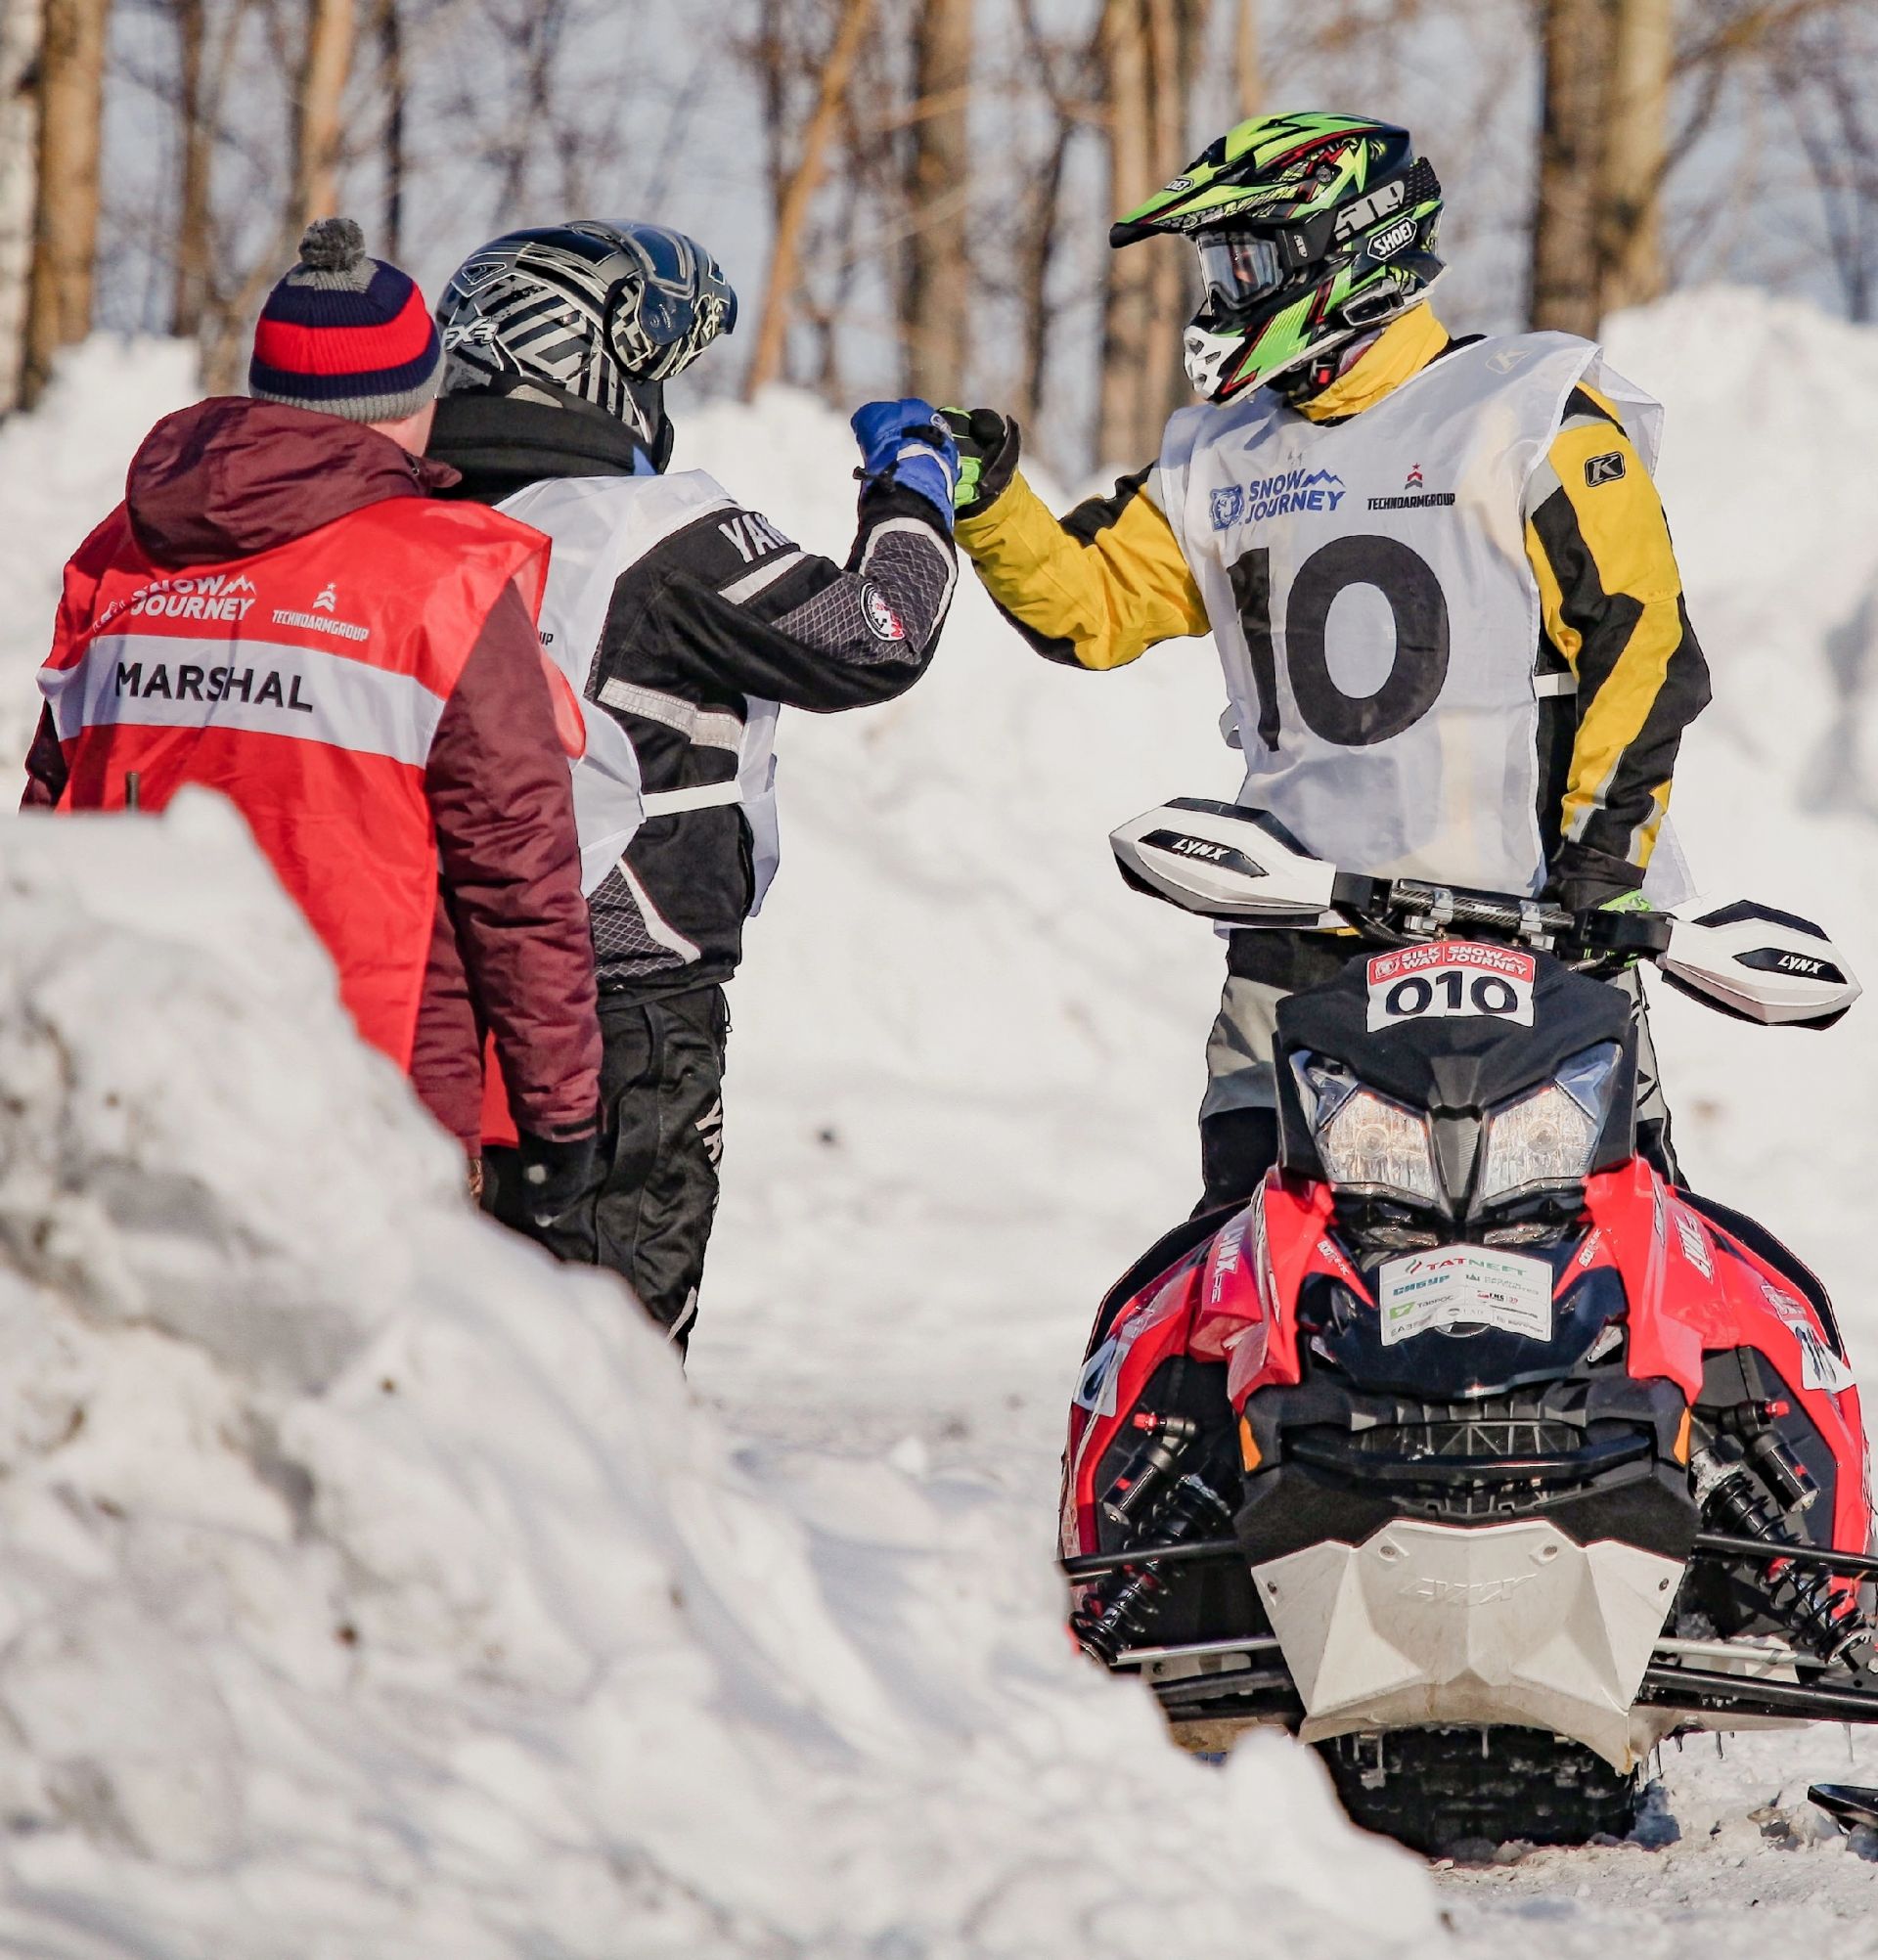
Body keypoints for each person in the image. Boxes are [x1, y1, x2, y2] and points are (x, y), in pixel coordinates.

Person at [942, 111, 1711, 1210]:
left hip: (1521, 936)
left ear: (1347, 250)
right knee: (1246, 1261)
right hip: (1295, 939)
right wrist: (987, 500)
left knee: (1592, 1258)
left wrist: (1596, 883)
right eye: (1218, 263)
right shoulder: (1217, 452)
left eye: (1247, 259)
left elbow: (1646, 647)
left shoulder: (1531, 412)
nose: (1222, 293)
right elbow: (1093, 609)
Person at [426, 220, 960, 1349]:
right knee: (613, 1368)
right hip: (626, 1005)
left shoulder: (411, 529)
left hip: (439, 993)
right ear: (592, 366)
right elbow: (878, 632)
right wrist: (913, 488)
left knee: (455, 1353)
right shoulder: (651, 530)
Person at [24, 219, 602, 1223]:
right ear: (411, 405)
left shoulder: (116, 556)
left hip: (125, 1074)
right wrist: (558, 1119)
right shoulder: (444, 583)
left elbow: (45, 828)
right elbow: (518, 874)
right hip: (365, 1105)